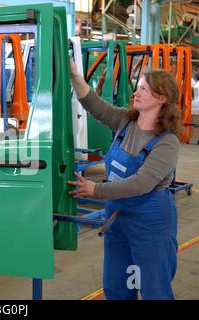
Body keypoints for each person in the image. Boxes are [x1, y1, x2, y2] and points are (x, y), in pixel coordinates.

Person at [68, 59, 180, 300]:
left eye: (143, 89)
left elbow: (141, 183)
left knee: (154, 289)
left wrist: (96, 189)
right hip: (117, 218)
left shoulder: (167, 143)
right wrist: (75, 76)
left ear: (161, 99)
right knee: (116, 286)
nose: (135, 93)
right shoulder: (124, 121)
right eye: (137, 87)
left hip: (149, 223)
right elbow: (93, 104)